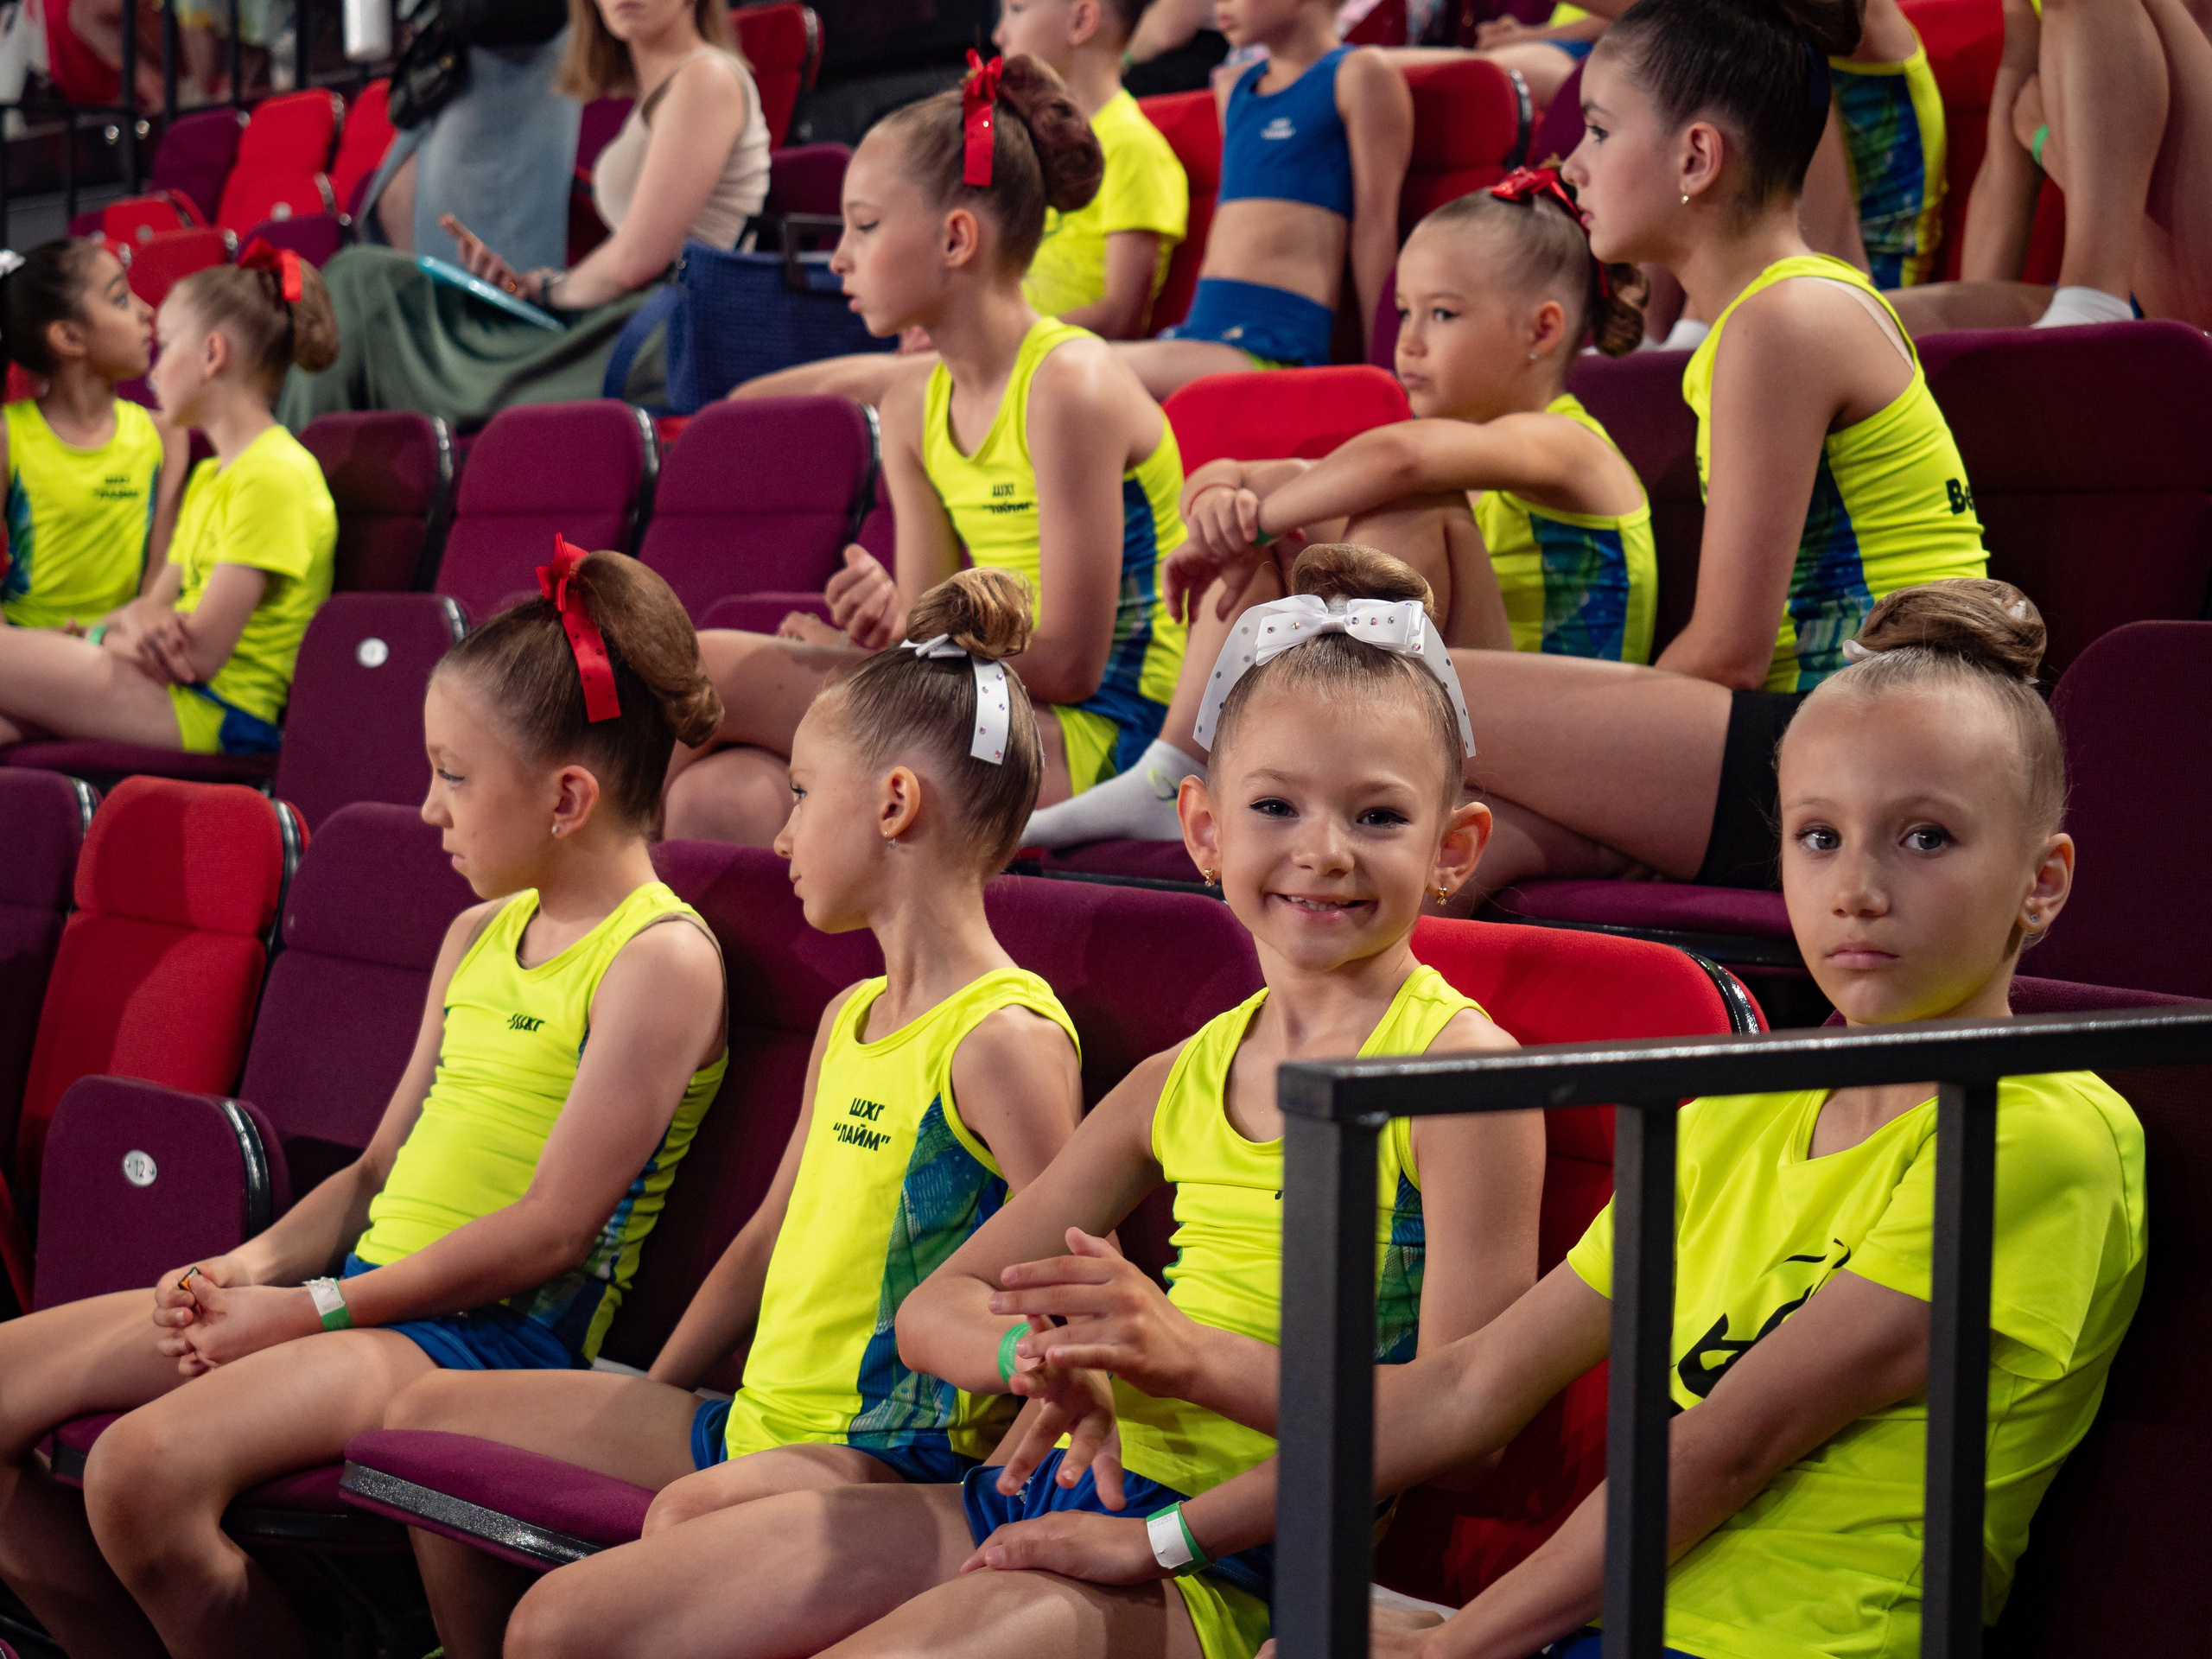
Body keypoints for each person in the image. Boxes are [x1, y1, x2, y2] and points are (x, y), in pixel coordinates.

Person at [969, 580, 2145, 1659]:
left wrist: (1456, 1648)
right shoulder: (1744, 1107)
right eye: (1817, 836)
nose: (1858, 887)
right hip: (1626, 1615)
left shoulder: (2044, 1134)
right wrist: (1166, 1539)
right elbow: (1472, 1388)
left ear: (2042, 882)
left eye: (1925, 838)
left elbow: (1723, 1448)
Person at [497, 543, 1548, 1659]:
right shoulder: (1174, 1080)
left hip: (1240, 1558)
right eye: (1276, 806)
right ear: (1203, 829)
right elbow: (935, 1308)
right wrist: (1040, 1362)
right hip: (1054, 1490)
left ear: (1453, 848)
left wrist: (1182, 1356)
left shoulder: (1461, 1079)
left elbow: (1461, 1430)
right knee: (561, 1628)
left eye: (1379, 818)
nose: (1322, 853)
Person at [0, 544, 730, 1657]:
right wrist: (247, 1270)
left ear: (567, 796)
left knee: (137, 1475)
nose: (428, 807)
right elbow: (378, 1172)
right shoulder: (475, 933)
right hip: (359, 1300)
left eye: (453, 774)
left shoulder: (662, 961)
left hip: (485, 1345)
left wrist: (312, 1312)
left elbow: (549, 1231)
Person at [376, 568, 1088, 1659]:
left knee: (621, 1573)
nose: (782, 835)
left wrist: (1027, 1460)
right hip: (746, 1419)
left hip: (879, 1455)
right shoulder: (851, 1011)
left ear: (895, 805)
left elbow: (1077, 1286)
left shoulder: (1004, 1039)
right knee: (419, 1420)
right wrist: (643, 1402)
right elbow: (764, 1238)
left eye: (802, 795)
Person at [1153, 0, 1991, 905]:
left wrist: (1604, 779)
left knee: (1363, 686)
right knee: (1446, 859)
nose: (1572, 162)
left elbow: (1726, 652)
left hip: (1882, 743)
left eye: (1596, 129)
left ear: (1696, 158)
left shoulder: (1783, 321)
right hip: (1822, 735)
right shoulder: (1769, 318)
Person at [1022, 168, 1654, 849]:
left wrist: (1256, 518)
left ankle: (1336, 758)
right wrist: (1220, 500)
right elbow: (1270, 475)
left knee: (1399, 501)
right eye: (1404, 312)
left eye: (1442, 314)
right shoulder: (1472, 456)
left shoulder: (1568, 444)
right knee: (1292, 497)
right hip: (1474, 722)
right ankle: (1177, 767)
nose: (1407, 341)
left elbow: (1398, 462)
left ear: (1543, 328)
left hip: (1551, 753)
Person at [664, 54, 1196, 850]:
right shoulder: (913, 403)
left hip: (1096, 739)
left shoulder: (1070, 383)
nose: (839, 256)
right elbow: (929, 617)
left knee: (707, 669)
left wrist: (885, 655)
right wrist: (885, 631)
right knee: (723, 800)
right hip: (986, 701)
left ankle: (595, 903)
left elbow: (1072, 666)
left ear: (955, 238)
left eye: (866, 226)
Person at [279, 0, 772, 430]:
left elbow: (635, 261)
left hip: (660, 335)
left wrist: (541, 290)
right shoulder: (665, 88)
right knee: (366, 281)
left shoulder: (705, 77)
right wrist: (528, 287)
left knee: (361, 283)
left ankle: (285, 484)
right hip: (620, 320)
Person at [728, 0, 1192, 406]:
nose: (998, 34)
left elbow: (1122, 314)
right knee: (747, 402)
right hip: (976, 345)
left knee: (798, 401)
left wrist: (985, 338)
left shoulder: (1133, 148)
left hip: (1017, 354)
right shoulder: (1012, 142)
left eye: (1017, 9)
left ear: (1082, 19)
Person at [0, 245, 337, 755]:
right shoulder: (210, 476)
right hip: (166, 687)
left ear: (211, 354)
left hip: (216, 710)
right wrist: (129, 623)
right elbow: (151, 606)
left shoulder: (275, 476)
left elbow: (196, 655)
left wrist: (99, 637)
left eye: (165, 347)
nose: (152, 373)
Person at [1115, 0, 1413, 397]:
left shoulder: (1359, 74)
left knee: (1076, 366)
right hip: (1199, 337)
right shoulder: (1233, 87)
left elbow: (1375, 229)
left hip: (1274, 349)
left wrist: (1382, 366)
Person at [1889, 0, 2212, 331]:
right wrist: (1981, 346)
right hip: (2132, 288)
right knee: (1871, 328)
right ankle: (2091, 301)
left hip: (2167, 279)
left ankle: (2094, 295)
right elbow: (2005, 166)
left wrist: (2046, 144)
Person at [0, 239, 187, 634]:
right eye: (121, 299)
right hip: (24, 648)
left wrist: (107, 633)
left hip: (121, 643)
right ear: (69, 337)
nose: (146, 311)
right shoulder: (7, 436)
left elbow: (160, 580)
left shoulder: (167, 434)